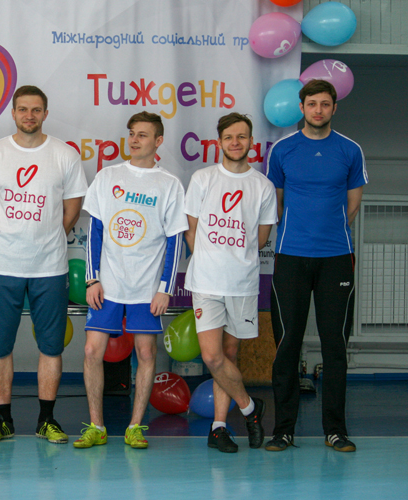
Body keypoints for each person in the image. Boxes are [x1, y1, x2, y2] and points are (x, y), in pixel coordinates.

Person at [0, 85, 88, 444]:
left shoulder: (64, 155)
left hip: (50, 268)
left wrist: (48, 237)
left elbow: (72, 209)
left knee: (51, 347)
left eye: (36, 110)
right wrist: (10, 239)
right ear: (13, 113)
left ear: (45, 114)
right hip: (3, 267)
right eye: (23, 109)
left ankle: (46, 421)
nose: (29, 115)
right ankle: (3, 421)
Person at [74, 112, 187, 450]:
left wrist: (165, 289)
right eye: (132, 133)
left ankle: (135, 427)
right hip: (107, 284)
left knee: (146, 352)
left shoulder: (168, 184)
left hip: (146, 288)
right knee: (92, 350)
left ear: (158, 141)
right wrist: (92, 279)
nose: (135, 140)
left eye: (143, 135)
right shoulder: (108, 176)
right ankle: (96, 426)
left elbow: (175, 241)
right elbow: (95, 231)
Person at [265, 79, 367, 453]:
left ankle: (335, 430)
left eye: (325, 103)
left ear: (334, 108)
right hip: (291, 257)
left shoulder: (350, 150)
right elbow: (276, 205)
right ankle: (284, 430)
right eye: (312, 103)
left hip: (336, 258)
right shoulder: (283, 150)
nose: (318, 110)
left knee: (335, 346)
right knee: (286, 345)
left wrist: (326, 233)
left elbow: (352, 205)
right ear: (302, 108)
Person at [183, 112, 277, 453]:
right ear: (219, 142)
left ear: (251, 141)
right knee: (212, 356)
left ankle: (219, 427)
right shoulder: (203, 178)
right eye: (229, 137)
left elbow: (261, 238)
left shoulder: (262, 186)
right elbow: (191, 230)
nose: (235, 142)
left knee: (230, 353)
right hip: (206, 281)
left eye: (241, 136)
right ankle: (251, 408)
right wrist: (211, 261)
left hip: (242, 283)